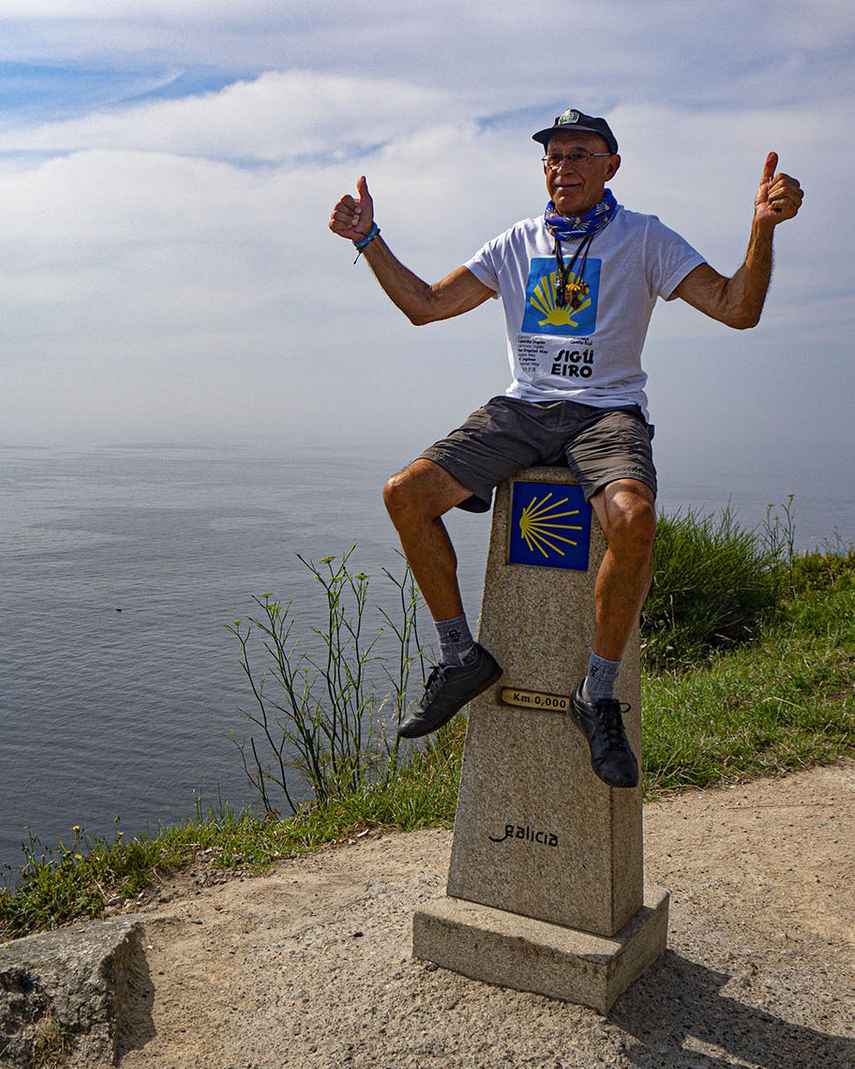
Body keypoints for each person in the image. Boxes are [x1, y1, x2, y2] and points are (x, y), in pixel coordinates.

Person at [329, 108, 803, 788]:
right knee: (405, 495)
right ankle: (461, 656)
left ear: (611, 166)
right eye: (553, 156)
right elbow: (425, 305)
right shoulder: (517, 242)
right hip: (521, 410)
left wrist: (761, 228)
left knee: (633, 520)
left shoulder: (645, 238)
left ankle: (598, 693)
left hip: (607, 414)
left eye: (581, 154)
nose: (564, 166)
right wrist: (369, 237)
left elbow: (736, 307)